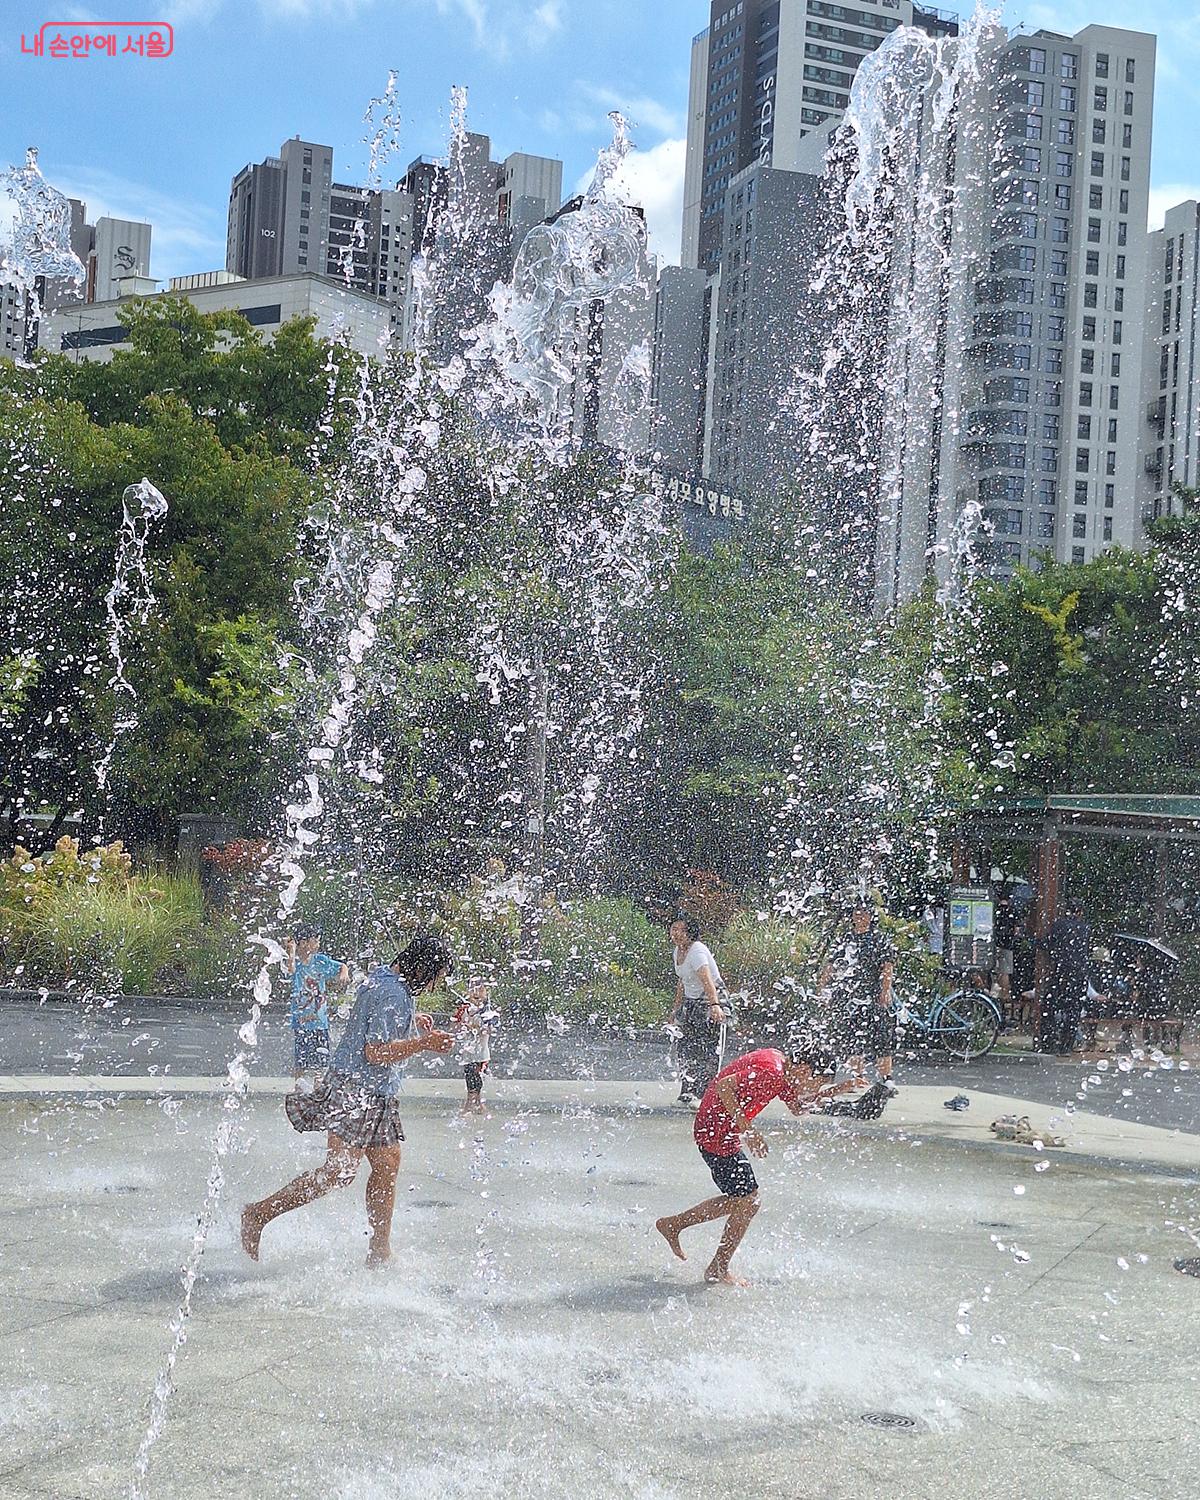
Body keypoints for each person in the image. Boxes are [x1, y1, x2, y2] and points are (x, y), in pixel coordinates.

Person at [241, 934, 455, 1268]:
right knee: (338, 1173)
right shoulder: (393, 992)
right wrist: (424, 1043)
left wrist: (410, 1021)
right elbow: (376, 1052)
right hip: (356, 1090)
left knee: (386, 1165)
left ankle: (379, 1252)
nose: (432, 985)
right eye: (434, 977)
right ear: (423, 968)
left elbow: (371, 1020)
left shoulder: (384, 976)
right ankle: (258, 1214)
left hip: (373, 1091)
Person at [654, 1042, 861, 1286]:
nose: (812, 1088)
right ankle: (699, 1248)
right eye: (817, 1083)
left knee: (745, 1201)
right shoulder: (771, 1071)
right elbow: (724, 1087)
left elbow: (797, 1108)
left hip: (722, 1132)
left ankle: (689, 1239)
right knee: (748, 1201)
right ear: (805, 1070)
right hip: (716, 1133)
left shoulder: (782, 1069)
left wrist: (833, 1091)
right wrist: (749, 1131)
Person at [820, 901, 897, 1117]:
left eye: (864, 913)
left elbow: (887, 966)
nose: (860, 916)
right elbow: (832, 964)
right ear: (852, 916)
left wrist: (885, 990)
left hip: (873, 995)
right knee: (853, 1036)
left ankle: (886, 1078)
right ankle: (858, 1077)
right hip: (849, 995)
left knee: (882, 1036)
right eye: (857, 913)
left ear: (871, 917)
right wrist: (823, 987)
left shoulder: (879, 938)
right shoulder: (846, 939)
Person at [665, 914, 732, 1108]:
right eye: (673, 929)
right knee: (685, 1047)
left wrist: (715, 1006)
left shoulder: (697, 952)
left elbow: (707, 980)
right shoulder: (678, 951)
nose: (675, 933)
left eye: (680, 930)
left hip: (711, 1000)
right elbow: (682, 981)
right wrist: (676, 1010)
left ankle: (705, 1097)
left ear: (690, 933)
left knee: (707, 1050)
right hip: (691, 1002)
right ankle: (687, 1094)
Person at [285, 925, 350, 1084]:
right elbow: (290, 971)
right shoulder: (293, 962)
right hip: (301, 1023)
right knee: (300, 1062)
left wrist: (344, 974)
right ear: (304, 943)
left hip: (320, 1023)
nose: (318, 944)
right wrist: (291, 952)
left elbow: (342, 965)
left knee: (320, 1063)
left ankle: (317, 1089)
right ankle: (298, 1089)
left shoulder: (320, 961)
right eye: (316, 940)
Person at [1038, 901, 1091, 1055]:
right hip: (1078, 973)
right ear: (1080, 912)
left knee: (1050, 1005)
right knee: (1073, 1010)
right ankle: (1067, 1045)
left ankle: (1049, 1042)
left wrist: (1036, 942)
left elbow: (1048, 943)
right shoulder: (1085, 928)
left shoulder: (1059, 925)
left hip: (1061, 971)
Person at [454, 975, 498, 1114]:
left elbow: (490, 1030)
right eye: (472, 989)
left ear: (486, 993)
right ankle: (477, 1103)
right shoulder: (463, 1010)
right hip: (467, 1052)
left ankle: (470, 1104)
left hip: (481, 1053)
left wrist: (477, 1028)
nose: (476, 993)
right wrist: (462, 1026)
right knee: (470, 1076)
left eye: (480, 990)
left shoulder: (488, 1013)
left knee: (476, 1077)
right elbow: (454, 1026)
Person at [992, 891, 1017, 1011]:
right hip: (1008, 944)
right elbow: (1015, 929)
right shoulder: (1011, 911)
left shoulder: (995, 910)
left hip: (995, 944)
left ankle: (995, 994)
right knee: (1005, 971)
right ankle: (1005, 995)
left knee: (996, 971)